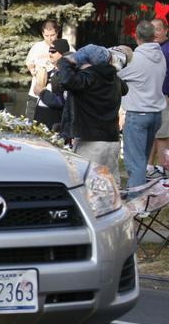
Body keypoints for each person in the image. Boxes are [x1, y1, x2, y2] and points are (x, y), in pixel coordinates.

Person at [53, 45, 127, 179]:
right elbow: (125, 88)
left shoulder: (90, 78)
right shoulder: (112, 77)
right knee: (111, 189)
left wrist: (65, 61)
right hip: (112, 140)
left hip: (91, 143)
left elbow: (66, 80)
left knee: (88, 187)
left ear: (87, 63)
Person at [118, 20, 168, 194]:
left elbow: (116, 74)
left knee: (135, 162)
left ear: (136, 36)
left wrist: (123, 54)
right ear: (154, 36)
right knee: (143, 159)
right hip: (155, 115)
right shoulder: (160, 54)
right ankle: (142, 197)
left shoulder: (136, 59)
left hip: (138, 114)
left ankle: (137, 202)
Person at [24, 20, 62, 119]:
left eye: (52, 35)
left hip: (52, 97)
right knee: (30, 124)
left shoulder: (64, 46)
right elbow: (29, 62)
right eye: (46, 35)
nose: (49, 38)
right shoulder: (37, 47)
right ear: (42, 34)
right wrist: (32, 70)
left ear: (57, 32)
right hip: (35, 94)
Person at [147, 17, 169, 178]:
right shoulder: (152, 48)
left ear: (166, 31)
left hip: (165, 97)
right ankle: (149, 167)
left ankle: (163, 171)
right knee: (154, 133)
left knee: (162, 135)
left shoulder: (167, 49)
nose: (155, 33)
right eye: (152, 29)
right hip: (152, 97)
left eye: (158, 29)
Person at [33, 38, 71, 130]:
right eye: (49, 50)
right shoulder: (50, 72)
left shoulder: (66, 74)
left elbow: (61, 101)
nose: (50, 54)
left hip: (54, 122)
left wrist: (42, 92)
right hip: (41, 119)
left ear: (62, 53)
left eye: (53, 51)